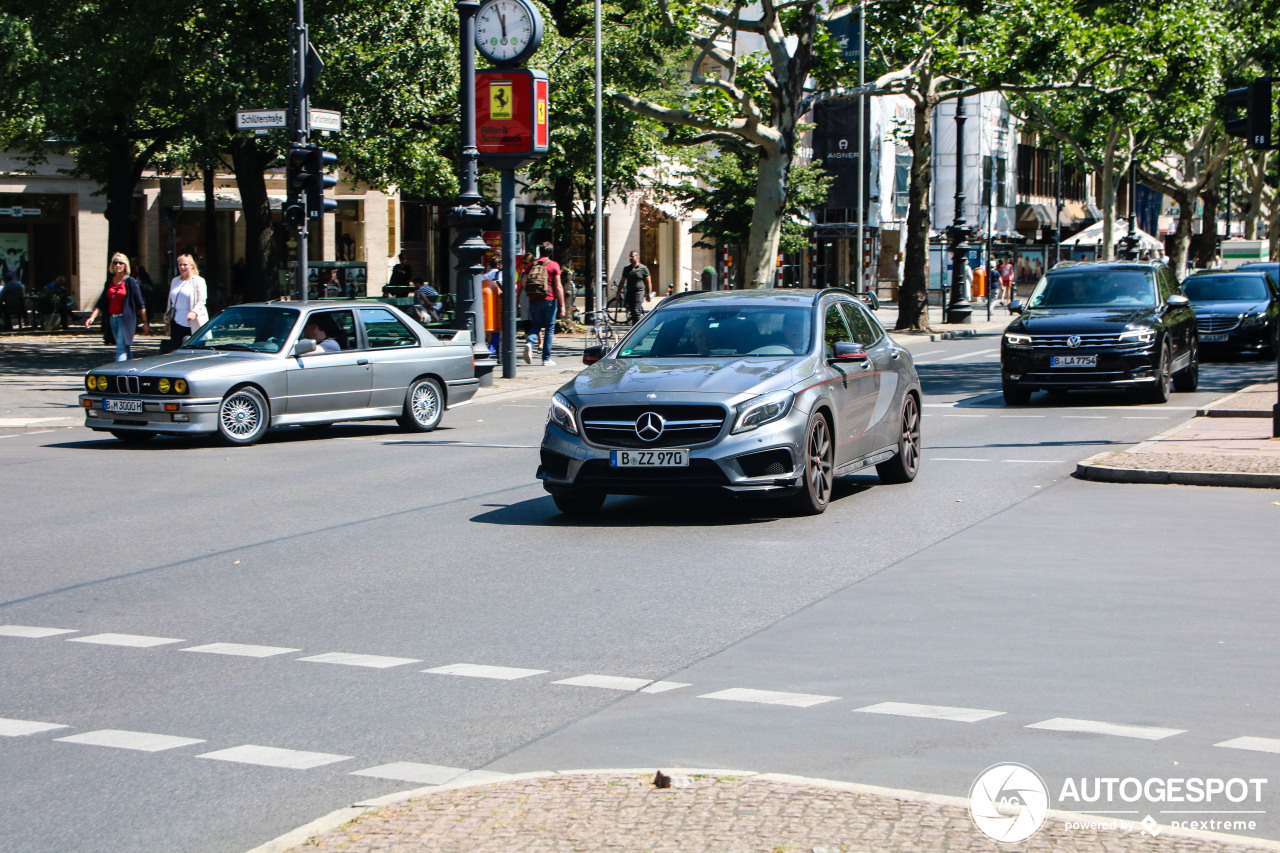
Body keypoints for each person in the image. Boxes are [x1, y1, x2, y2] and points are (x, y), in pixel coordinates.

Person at [85, 253, 150, 360]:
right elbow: (102, 301)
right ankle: (131, 372)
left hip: (126, 320)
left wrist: (145, 323)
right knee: (125, 348)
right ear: (112, 265)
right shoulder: (109, 282)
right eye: (115, 263)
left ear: (125, 265)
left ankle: (118, 374)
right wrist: (92, 317)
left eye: (121, 263)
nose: (118, 265)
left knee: (120, 349)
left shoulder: (131, 282)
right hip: (113, 319)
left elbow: (140, 303)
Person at [517, 242, 564, 366]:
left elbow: (524, 283)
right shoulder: (554, 265)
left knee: (536, 325)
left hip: (534, 299)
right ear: (550, 252)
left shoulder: (531, 265)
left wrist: (519, 298)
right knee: (549, 328)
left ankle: (530, 342)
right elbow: (558, 286)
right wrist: (562, 305)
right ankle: (546, 359)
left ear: (540, 251)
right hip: (549, 299)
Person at [164, 253, 209, 350]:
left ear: (191, 265)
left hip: (192, 323)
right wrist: (167, 321)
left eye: (185, 265)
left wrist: (194, 312)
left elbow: (202, 300)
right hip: (176, 322)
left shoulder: (198, 281)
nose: (182, 267)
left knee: (193, 351)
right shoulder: (175, 281)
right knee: (176, 350)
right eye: (180, 265)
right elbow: (170, 302)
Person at [620, 250, 652, 324]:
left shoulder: (643, 268)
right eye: (630, 256)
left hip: (639, 292)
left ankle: (636, 329)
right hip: (629, 292)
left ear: (637, 257)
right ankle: (634, 327)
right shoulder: (627, 268)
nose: (630, 258)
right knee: (632, 311)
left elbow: (648, 282)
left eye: (632, 256)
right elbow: (622, 281)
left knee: (636, 310)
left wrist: (649, 294)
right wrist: (618, 293)